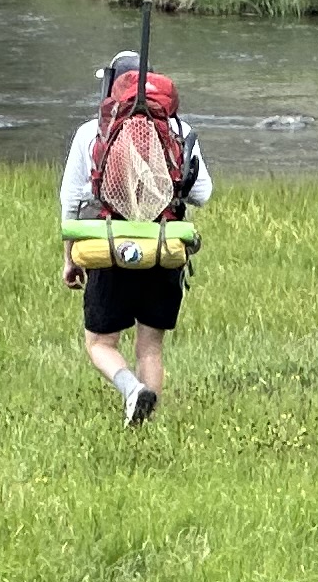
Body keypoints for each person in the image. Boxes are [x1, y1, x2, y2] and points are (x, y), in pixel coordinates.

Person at [62, 50, 211, 424]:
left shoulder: (91, 132)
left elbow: (71, 201)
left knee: (100, 343)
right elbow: (203, 193)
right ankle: (146, 424)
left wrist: (69, 258)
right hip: (163, 248)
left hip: (110, 247)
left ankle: (131, 390)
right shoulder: (180, 130)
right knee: (150, 348)